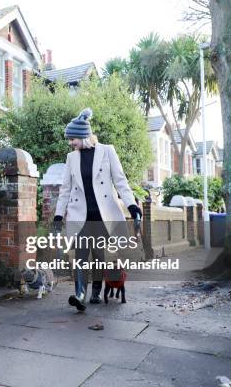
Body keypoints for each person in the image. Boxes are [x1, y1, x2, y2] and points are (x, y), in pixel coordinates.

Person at [53, 108, 141, 311]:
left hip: (102, 216)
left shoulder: (107, 151)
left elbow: (120, 181)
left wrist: (132, 206)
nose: (70, 143)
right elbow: (65, 189)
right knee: (81, 257)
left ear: (83, 136)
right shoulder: (71, 158)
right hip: (80, 216)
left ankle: (95, 291)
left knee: (99, 257)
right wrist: (59, 214)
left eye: (72, 138)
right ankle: (80, 295)